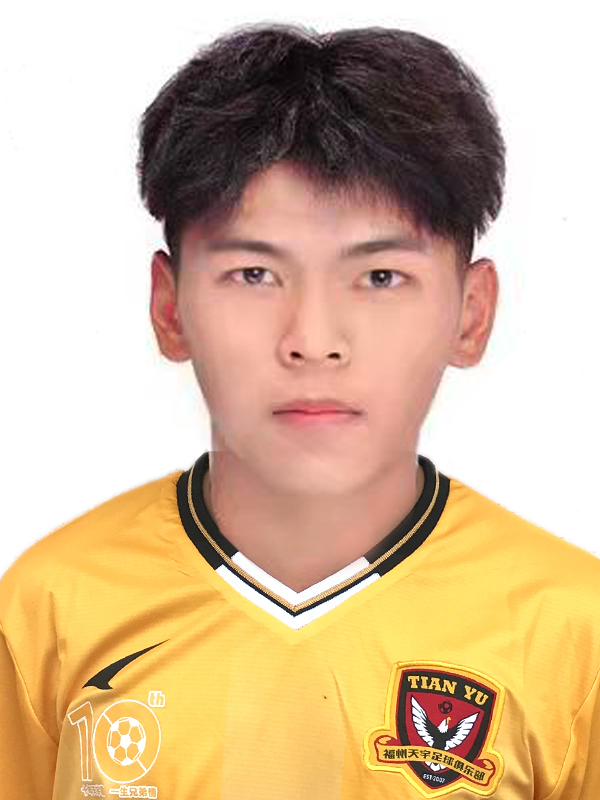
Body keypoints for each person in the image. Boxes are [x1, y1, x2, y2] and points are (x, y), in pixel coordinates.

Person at [0, 20, 598, 800]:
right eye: (254, 274)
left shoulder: (573, 629)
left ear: (471, 313)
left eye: (380, 277)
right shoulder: (48, 607)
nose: (313, 342)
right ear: (170, 308)